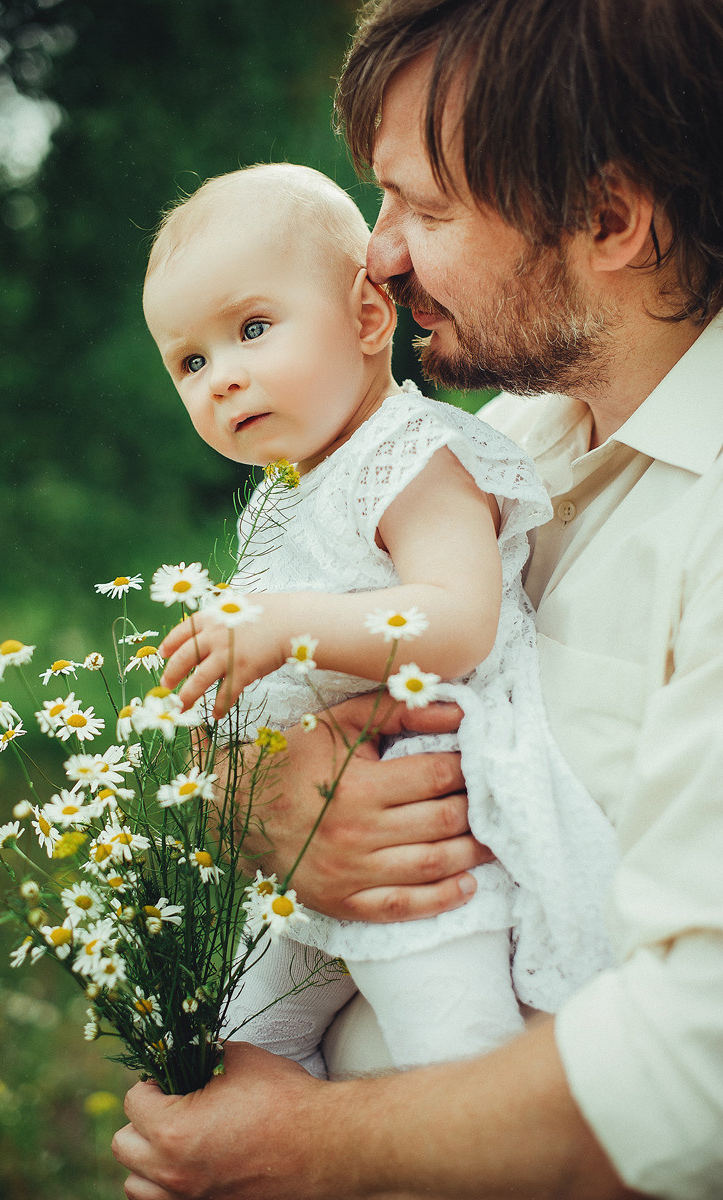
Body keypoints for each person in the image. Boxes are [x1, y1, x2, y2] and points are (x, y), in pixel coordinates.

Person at [112, 1, 723, 1197]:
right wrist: (269, 802)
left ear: (610, 219)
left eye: (425, 210)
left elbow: (698, 1062)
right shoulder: (510, 433)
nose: (378, 256)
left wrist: (302, 1148)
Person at [141, 161, 618, 1079]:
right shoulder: (286, 494)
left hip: (422, 829)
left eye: (251, 329)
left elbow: (459, 621)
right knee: (241, 1046)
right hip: (311, 836)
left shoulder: (412, 456)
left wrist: (282, 624)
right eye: (191, 362)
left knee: (453, 1055)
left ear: (366, 318)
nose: (222, 379)